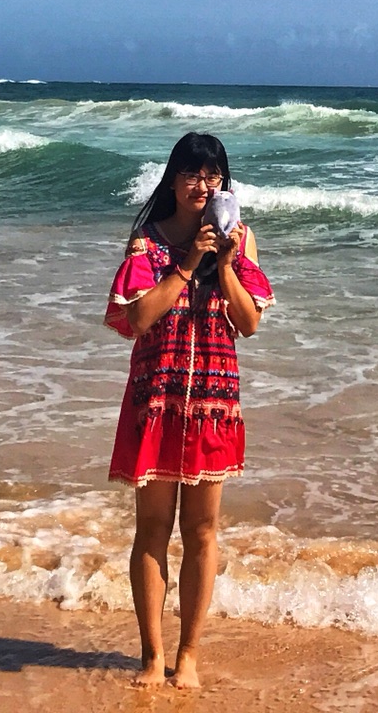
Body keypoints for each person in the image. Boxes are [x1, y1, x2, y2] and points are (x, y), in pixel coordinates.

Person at [105, 131, 274, 689]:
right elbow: (136, 319)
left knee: (202, 530)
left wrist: (223, 263)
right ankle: (152, 656)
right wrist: (189, 261)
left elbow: (249, 323)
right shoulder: (148, 243)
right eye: (192, 174)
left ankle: (190, 655)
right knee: (152, 528)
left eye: (212, 175)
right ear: (173, 179)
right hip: (157, 397)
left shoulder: (241, 240)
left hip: (212, 401)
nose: (202, 185)